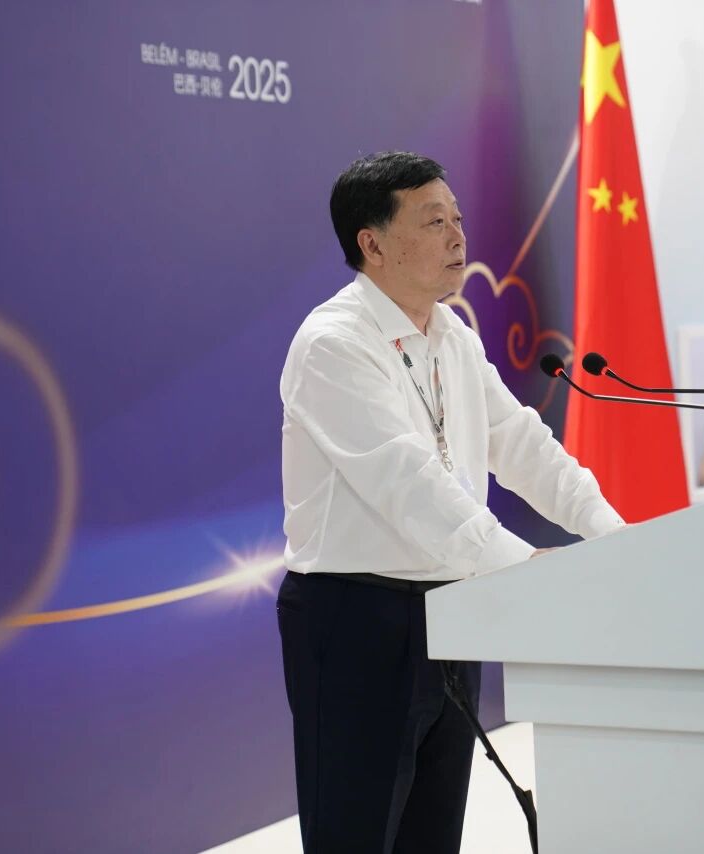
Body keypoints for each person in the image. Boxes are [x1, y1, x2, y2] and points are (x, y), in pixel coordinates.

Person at [275, 151, 623, 853]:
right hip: (357, 619)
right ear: (372, 244)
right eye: (434, 222)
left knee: (433, 836)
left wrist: (613, 535)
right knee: (357, 836)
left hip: (454, 608)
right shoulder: (333, 344)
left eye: (458, 219)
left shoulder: (450, 334)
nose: (458, 236)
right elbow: (409, 485)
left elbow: (519, 442)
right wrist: (525, 568)